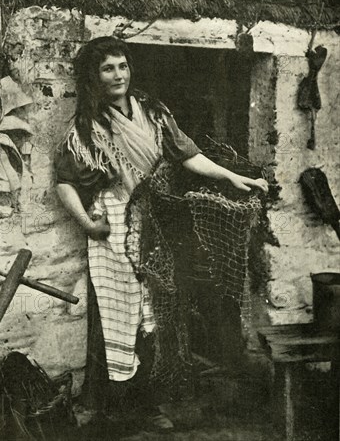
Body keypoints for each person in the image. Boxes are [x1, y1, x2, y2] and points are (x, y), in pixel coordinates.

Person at [55, 36, 268, 430]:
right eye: (108, 68)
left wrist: (233, 177)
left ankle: (152, 403)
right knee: (121, 311)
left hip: (156, 216)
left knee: (158, 308)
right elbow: (64, 181)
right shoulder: (90, 125)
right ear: (94, 76)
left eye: (122, 66)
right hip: (115, 221)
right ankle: (116, 407)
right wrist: (87, 223)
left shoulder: (151, 112)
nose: (118, 75)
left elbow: (188, 155)